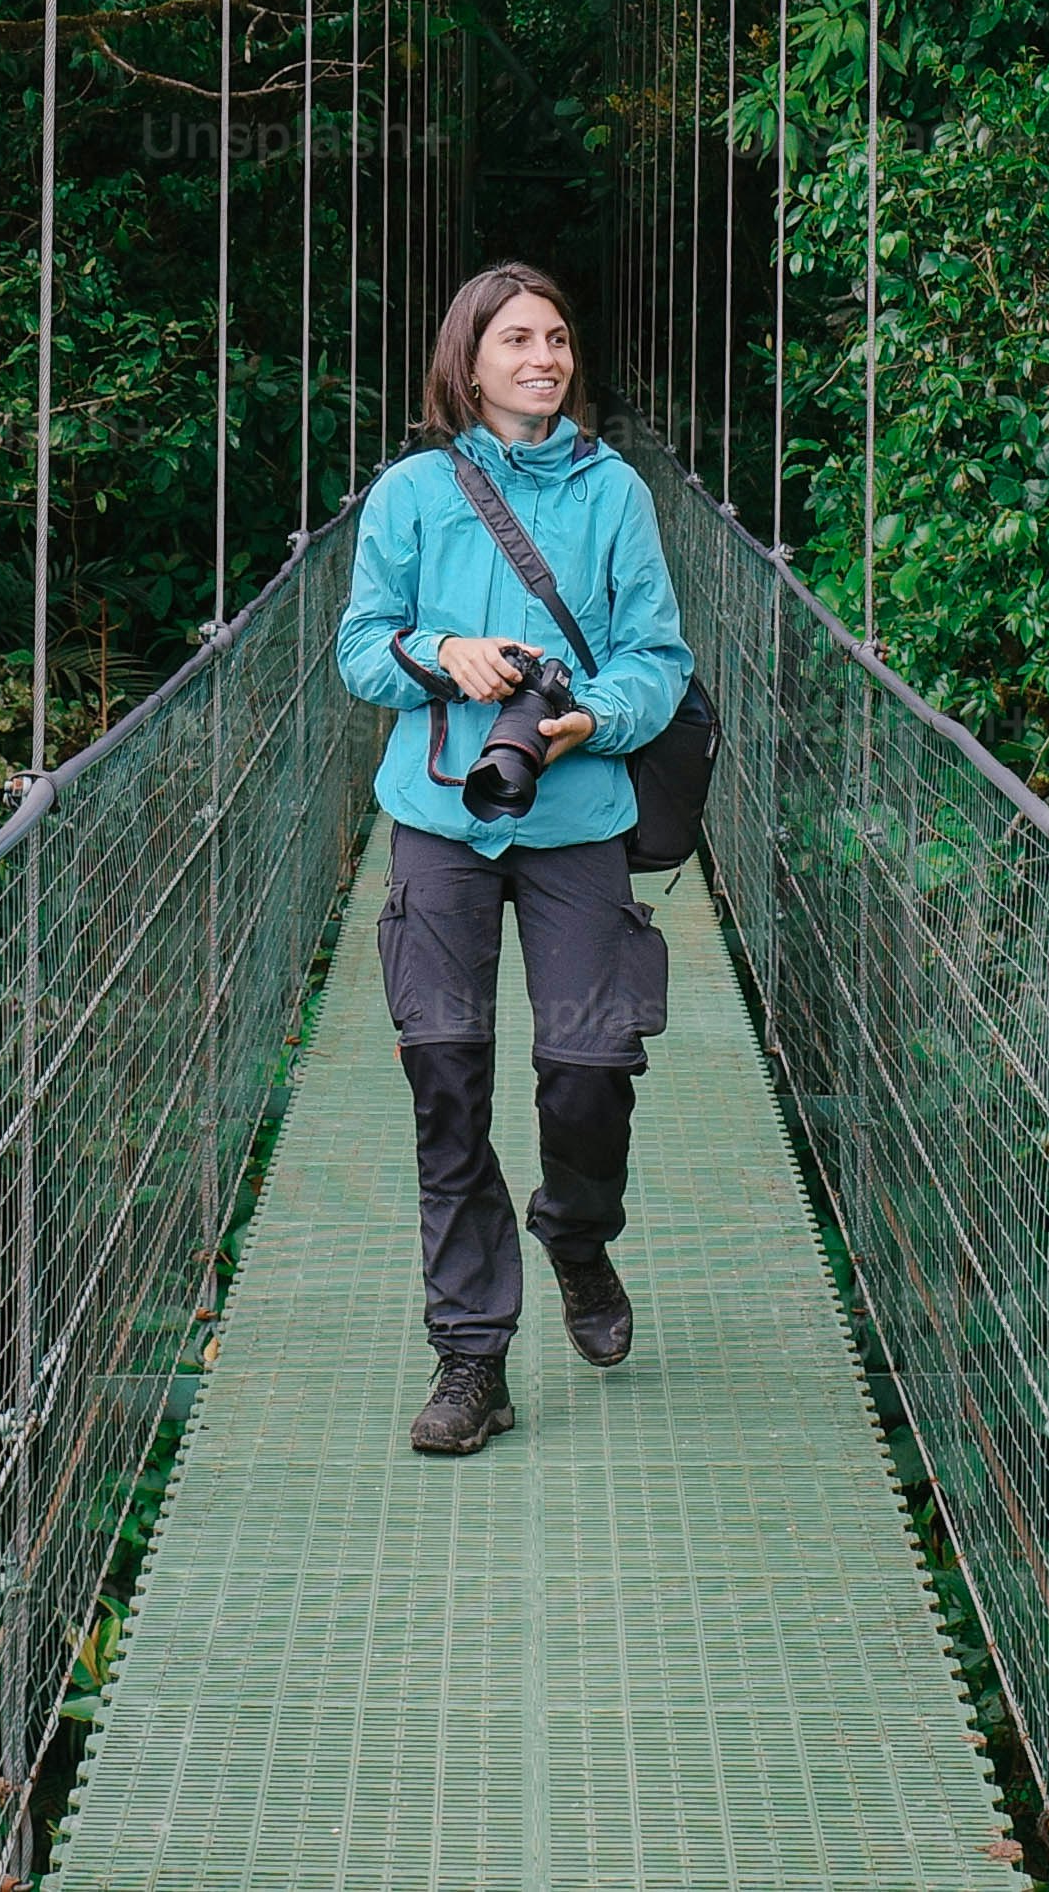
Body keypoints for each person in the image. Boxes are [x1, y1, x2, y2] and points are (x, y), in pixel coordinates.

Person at [328, 259, 690, 1458]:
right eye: (519, 339)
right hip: (440, 820)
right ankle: (470, 1358)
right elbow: (361, 651)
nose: (546, 357)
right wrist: (448, 653)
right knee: (447, 1082)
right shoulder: (415, 492)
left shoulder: (613, 492)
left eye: (559, 337)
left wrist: (595, 718)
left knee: (591, 1070)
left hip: (578, 816)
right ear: (468, 359)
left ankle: (579, 1238)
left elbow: (658, 655)